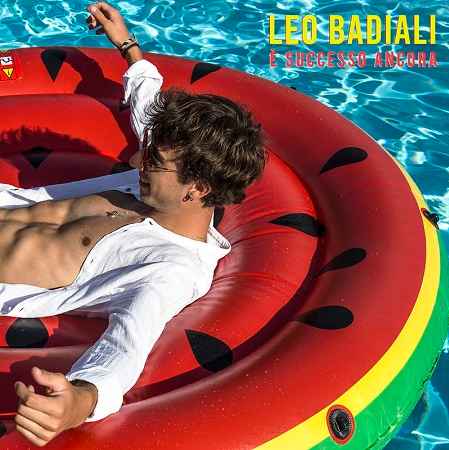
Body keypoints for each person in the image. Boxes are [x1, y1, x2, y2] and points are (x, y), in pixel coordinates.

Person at [1, 1, 266, 447]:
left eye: (152, 162)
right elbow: (149, 110)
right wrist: (128, 46)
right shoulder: (168, 183)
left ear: (197, 189)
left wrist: (79, 401)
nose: (135, 159)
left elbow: (128, 344)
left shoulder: (172, 268)